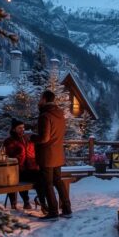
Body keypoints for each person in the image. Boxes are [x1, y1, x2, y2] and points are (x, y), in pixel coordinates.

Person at [31, 90, 71, 221]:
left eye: (40, 98)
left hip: (47, 155)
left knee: (48, 183)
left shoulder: (45, 116)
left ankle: (53, 211)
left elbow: (44, 138)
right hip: (58, 154)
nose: (38, 101)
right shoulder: (60, 114)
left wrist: (31, 137)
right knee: (58, 181)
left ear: (44, 99)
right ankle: (67, 209)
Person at [3, 118, 46, 211]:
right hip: (17, 170)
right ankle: (26, 201)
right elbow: (11, 157)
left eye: (23, 127)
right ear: (14, 129)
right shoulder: (9, 141)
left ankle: (42, 202)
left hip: (31, 167)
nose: (22, 129)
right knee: (21, 178)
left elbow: (33, 152)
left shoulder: (27, 138)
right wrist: (21, 152)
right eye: (19, 128)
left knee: (42, 177)